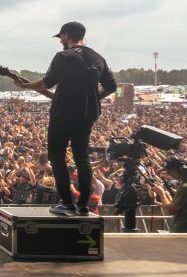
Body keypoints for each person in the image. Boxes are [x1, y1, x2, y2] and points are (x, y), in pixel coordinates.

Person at [15, 21, 117, 216]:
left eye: (60, 37)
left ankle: (67, 202)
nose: (60, 41)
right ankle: (83, 204)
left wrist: (25, 86)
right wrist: (95, 97)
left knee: (57, 156)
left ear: (67, 35)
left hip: (63, 114)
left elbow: (47, 83)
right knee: (82, 156)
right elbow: (111, 86)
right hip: (86, 115)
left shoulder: (63, 56)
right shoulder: (98, 57)